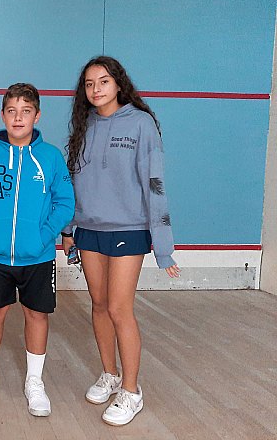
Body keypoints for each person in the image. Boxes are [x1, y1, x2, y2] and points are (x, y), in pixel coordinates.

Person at [62, 56, 181, 426]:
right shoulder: (83, 125)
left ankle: (131, 390)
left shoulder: (141, 123)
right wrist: (68, 230)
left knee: (118, 308)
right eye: (89, 84)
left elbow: (155, 185)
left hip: (129, 229)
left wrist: (163, 246)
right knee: (98, 305)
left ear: (118, 84)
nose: (96, 89)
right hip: (88, 229)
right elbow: (72, 183)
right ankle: (110, 374)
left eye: (103, 81)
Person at [0, 83, 75, 416]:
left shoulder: (51, 157)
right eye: (11, 111)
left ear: (37, 116)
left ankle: (34, 382)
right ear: (2, 115)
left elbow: (65, 202)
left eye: (26, 111)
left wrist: (44, 235)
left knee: (36, 314)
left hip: (38, 256)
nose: (18, 117)